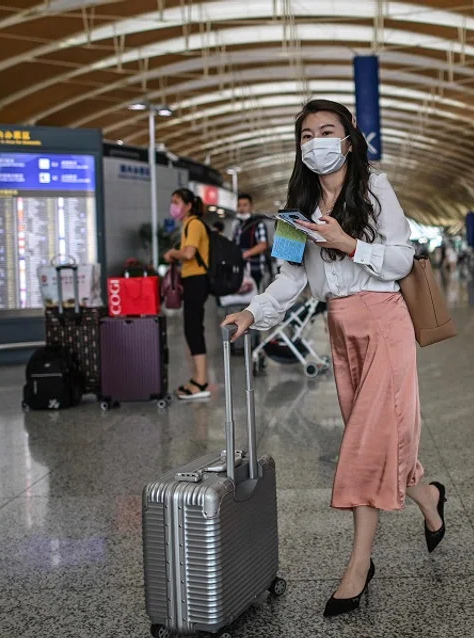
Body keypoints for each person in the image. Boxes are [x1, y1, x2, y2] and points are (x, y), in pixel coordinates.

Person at [222, 99, 446, 618]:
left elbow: (401, 255)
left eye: (327, 131)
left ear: (348, 140)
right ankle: (429, 498)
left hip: (386, 321)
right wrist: (252, 314)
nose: (316, 141)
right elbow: (292, 278)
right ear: (299, 146)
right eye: (306, 134)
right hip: (341, 327)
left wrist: (348, 243)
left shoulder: (374, 188)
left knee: (364, 447)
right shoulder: (294, 207)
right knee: (377, 437)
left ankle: (358, 567)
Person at [163, 188, 212, 401]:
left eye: (177, 201)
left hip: (197, 280)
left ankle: (201, 381)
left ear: (189, 205)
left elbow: (189, 254)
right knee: (191, 329)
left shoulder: (193, 224)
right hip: (193, 280)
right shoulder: (188, 224)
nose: (173, 206)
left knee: (193, 330)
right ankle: (197, 377)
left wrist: (173, 253)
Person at [232, 193, 272, 290]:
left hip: (256, 270)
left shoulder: (258, 224)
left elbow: (263, 245)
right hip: (241, 269)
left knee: (256, 298)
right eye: (239, 205)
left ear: (251, 207)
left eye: (245, 205)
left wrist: (244, 254)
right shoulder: (237, 225)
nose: (241, 208)